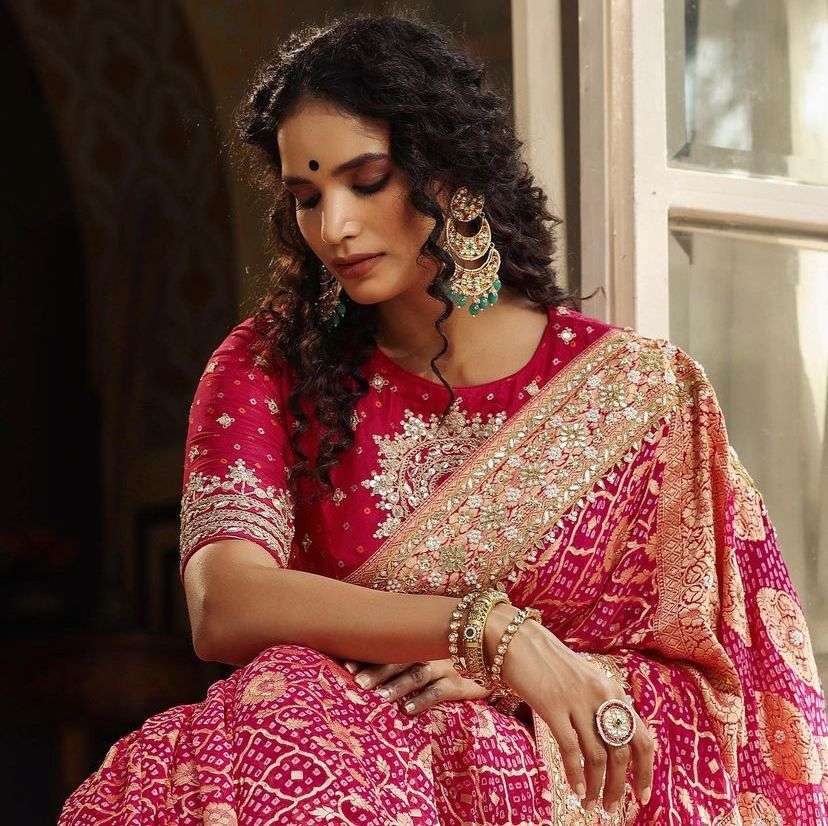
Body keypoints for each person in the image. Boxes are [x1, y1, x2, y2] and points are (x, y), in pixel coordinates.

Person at [59, 11, 828, 825]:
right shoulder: (269, 365)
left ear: (452, 172)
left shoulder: (640, 395)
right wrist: (487, 632)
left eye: (367, 181)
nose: (334, 227)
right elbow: (226, 604)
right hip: (318, 770)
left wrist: (518, 680)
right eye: (307, 197)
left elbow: (733, 703)